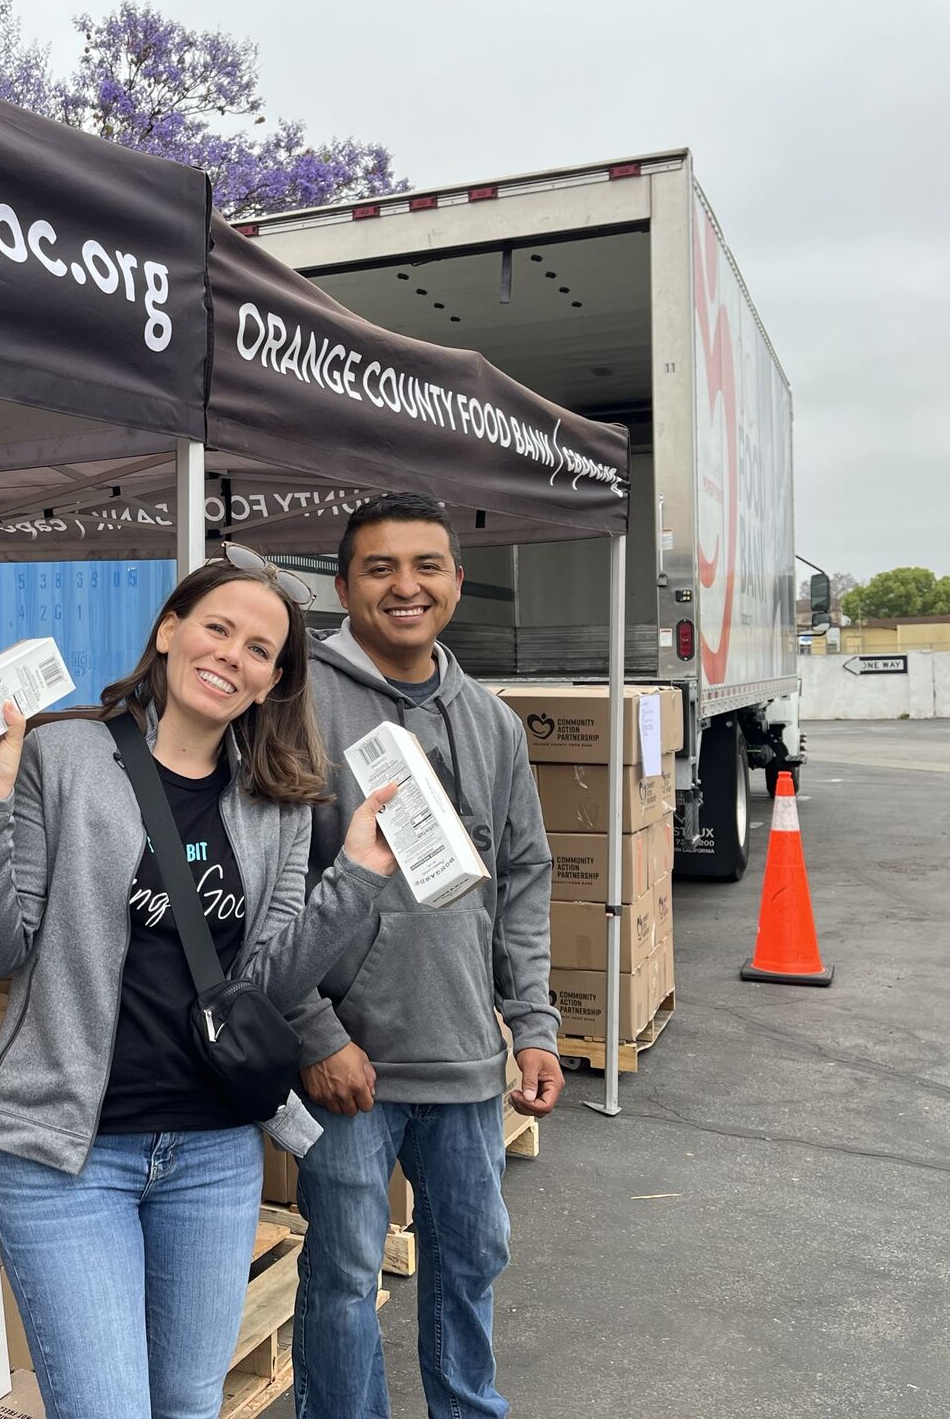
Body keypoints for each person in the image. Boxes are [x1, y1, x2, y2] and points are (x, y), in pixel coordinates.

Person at [0, 547, 401, 1419]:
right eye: (217, 629)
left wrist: (353, 880)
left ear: (272, 682)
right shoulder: (66, 758)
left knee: (188, 1406)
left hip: (213, 1153)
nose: (233, 654)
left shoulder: (275, 806)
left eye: (260, 649)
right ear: (169, 633)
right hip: (71, 1157)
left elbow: (267, 983)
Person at [290, 493, 564, 1419]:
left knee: (471, 1257)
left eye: (427, 567)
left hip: (464, 1058)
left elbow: (522, 878)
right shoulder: (298, 709)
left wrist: (532, 1024)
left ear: (454, 582)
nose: (406, 587)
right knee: (341, 1276)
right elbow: (269, 894)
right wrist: (315, 1032)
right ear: (342, 586)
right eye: (380, 569)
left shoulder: (491, 721)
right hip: (347, 1066)